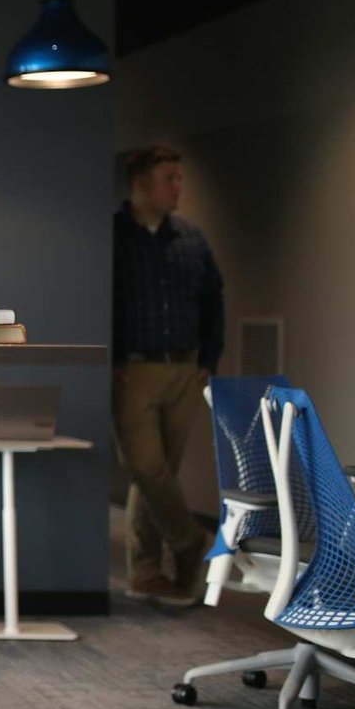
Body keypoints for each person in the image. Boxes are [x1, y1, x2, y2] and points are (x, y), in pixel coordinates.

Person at [112, 144, 223, 607]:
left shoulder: (191, 239)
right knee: (146, 466)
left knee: (160, 474)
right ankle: (190, 541)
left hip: (185, 366)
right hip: (134, 368)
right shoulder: (114, 235)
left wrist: (209, 359)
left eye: (180, 178)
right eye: (169, 179)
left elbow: (213, 300)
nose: (178, 188)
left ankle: (145, 573)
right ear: (140, 183)